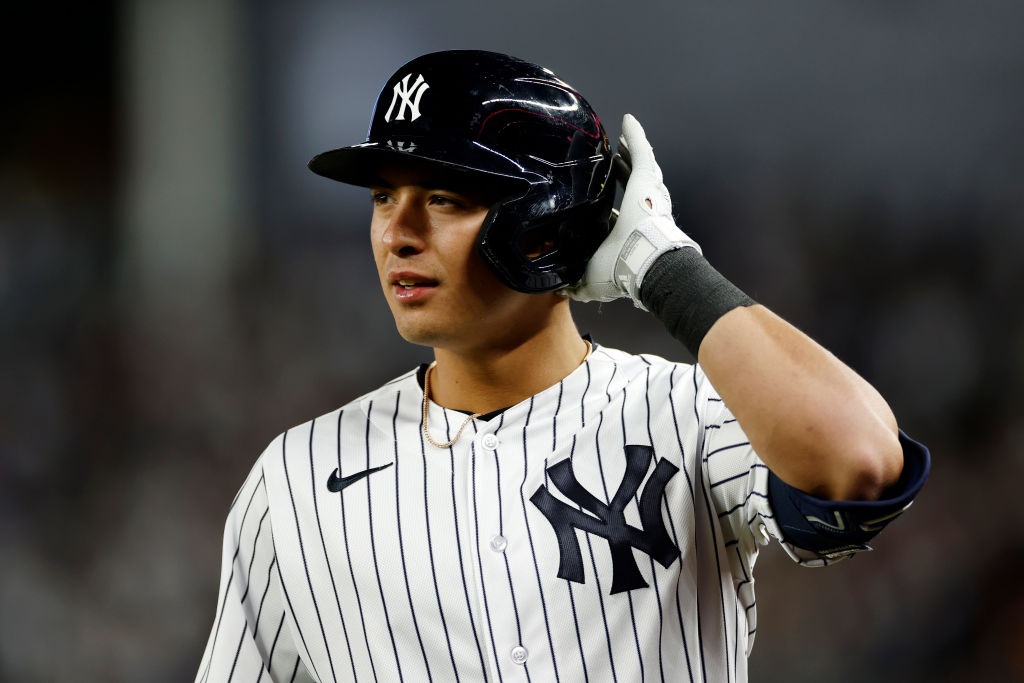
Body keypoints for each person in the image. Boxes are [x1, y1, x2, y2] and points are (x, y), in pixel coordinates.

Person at [195, 50, 929, 683]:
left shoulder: (691, 411)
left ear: (544, 221)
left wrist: (666, 270)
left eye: (444, 198)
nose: (397, 232)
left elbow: (858, 463)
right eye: (385, 196)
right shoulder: (294, 480)